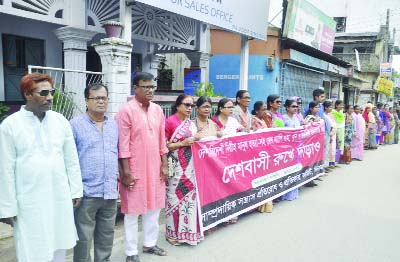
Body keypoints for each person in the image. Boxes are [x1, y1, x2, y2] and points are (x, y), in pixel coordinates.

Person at [0, 73, 83, 262]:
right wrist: (7, 208)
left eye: (51, 92)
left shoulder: (60, 121)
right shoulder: (10, 126)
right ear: (28, 94)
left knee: (59, 244)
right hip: (29, 201)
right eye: (44, 93)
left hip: (59, 196)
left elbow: (71, 159)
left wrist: (76, 190)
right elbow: (5, 169)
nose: (50, 97)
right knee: (33, 247)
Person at [115, 72, 169, 262]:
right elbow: (122, 145)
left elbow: (163, 140)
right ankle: (131, 252)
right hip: (135, 169)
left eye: (152, 86)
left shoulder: (157, 110)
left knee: (153, 208)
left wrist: (164, 165)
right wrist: (126, 173)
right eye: (145, 86)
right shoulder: (126, 111)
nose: (149, 90)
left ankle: (150, 243)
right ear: (135, 88)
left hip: (155, 168)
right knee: (132, 211)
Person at [70, 83, 119, 262]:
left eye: (104, 98)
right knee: (83, 238)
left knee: (106, 236)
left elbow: (118, 154)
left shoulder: (113, 125)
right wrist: (75, 189)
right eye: (96, 98)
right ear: (86, 101)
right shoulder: (74, 125)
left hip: (110, 192)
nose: (101, 101)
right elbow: (70, 159)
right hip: (86, 193)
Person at [165, 94, 203, 246]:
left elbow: (194, 140)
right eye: (187, 105)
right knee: (173, 195)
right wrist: (182, 143)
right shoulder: (169, 122)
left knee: (189, 196)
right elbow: (163, 146)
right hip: (172, 162)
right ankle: (172, 232)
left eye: (192, 106)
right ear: (178, 105)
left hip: (190, 164)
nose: (190, 108)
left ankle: (188, 231)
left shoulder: (190, 123)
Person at [250, 101, 273, 213]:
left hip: (266, 152)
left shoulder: (264, 120)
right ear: (257, 111)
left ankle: (265, 204)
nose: (265, 111)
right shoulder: (254, 120)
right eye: (263, 109)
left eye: (266, 109)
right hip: (259, 154)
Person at [281, 99, 301, 200]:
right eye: (293, 106)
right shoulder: (283, 118)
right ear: (287, 107)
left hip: (296, 147)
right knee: (287, 171)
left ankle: (293, 193)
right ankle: (284, 194)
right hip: (286, 149)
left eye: (296, 107)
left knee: (295, 170)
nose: (295, 108)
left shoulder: (297, 118)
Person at [323, 100, 334, 171]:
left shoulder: (328, 115)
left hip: (328, 134)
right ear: (326, 107)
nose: (331, 108)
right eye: (330, 107)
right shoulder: (323, 115)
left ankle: (325, 166)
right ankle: (322, 167)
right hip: (325, 134)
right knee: (324, 150)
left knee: (326, 150)